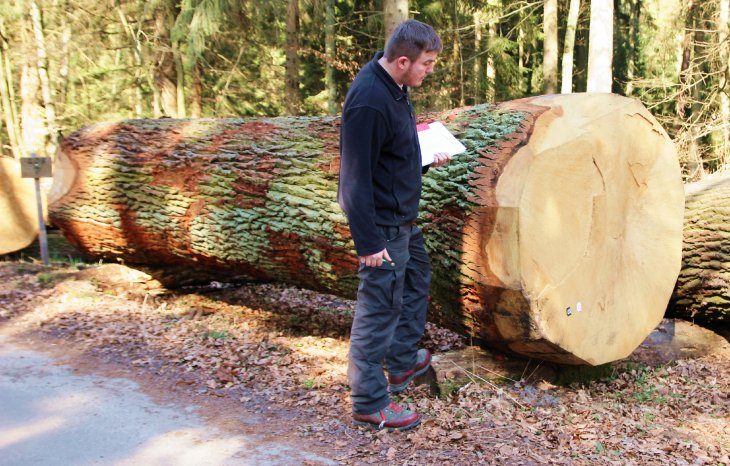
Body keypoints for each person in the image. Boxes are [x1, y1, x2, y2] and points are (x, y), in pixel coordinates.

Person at [337, 19, 450, 432]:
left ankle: (401, 362)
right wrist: (368, 244)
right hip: (381, 227)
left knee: (418, 277)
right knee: (378, 309)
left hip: (403, 219)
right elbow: (353, 181)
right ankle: (369, 401)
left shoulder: (395, 88)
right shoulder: (369, 99)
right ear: (403, 61)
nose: (430, 71)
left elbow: (391, 154)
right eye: (427, 64)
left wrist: (424, 155)